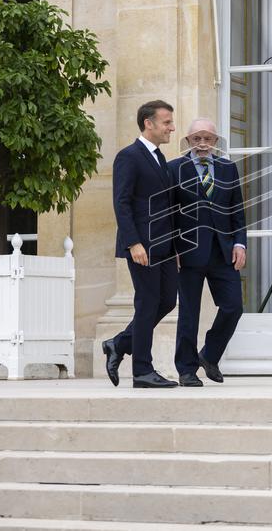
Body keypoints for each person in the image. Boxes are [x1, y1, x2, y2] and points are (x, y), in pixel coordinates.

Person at [102, 100, 180, 388]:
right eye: (167, 122)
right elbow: (121, 203)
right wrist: (134, 243)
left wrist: (176, 248)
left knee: (167, 301)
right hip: (143, 245)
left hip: (165, 245)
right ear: (149, 123)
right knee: (147, 303)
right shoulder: (129, 156)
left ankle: (119, 343)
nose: (172, 127)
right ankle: (142, 371)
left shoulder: (160, 158)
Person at [168, 118, 247, 387]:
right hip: (187, 252)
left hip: (223, 252)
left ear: (216, 141)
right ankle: (186, 370)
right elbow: (167, 214)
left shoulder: (227, 168)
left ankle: (209, 355)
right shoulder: (174, 169)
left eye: (208, 139)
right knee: (188, 314)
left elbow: (237, 210)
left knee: (233, 306)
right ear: (188, 141)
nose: (203, 144)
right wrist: (171, 248)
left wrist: (240, 243)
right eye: (197, 138)